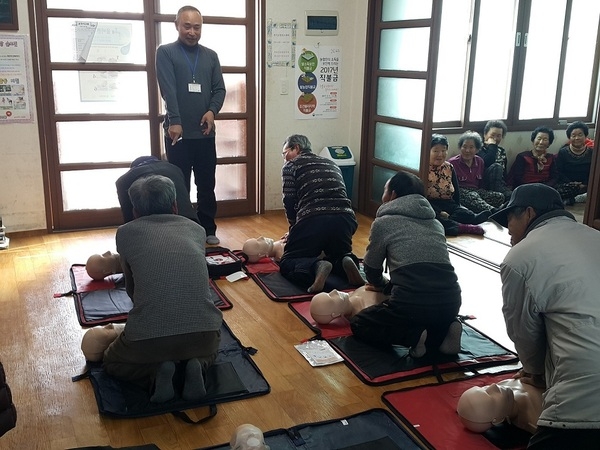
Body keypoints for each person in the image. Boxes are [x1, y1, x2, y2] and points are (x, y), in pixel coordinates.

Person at [489, 183, 600, 449]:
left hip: (585, 402)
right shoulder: (595, 236)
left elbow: (523, 332)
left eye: (509, 221)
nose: (509, 232)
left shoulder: (521, 257)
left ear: (528, 213)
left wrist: (535, 372)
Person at [103, 174, 223, 403]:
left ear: (135, 212)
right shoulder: (196, 230)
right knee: (212, 347)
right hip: (202, 333)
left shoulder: (125, 233)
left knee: (112, 361)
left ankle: (155, 373)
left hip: (148, 339)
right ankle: (198, 364)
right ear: (175, 206)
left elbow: (132, 290)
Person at [350, 171, 463, 357]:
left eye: (385, 190)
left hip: (411, 304)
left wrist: (380, 285)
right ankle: (448, 329)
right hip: (451, 301)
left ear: (393, 195)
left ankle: (413, 336)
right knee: (430, 314)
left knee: (360, 323)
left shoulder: (384, 222)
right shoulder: (436, 224)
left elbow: (371, 267)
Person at [156, 5, 226, 246]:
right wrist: (174, 120)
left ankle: (208, 228)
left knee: (207, 185)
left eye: (197, 27)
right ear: (177, 25)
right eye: (187, 26)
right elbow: (169, 90)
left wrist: (211, 111)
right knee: (180, 185)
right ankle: (183, 229)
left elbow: (219, 89)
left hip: (205, 134)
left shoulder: (211, 55)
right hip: (179, 135)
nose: (192, 32)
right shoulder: (165, 52)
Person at [279, 134, 364, 293]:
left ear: (296, 148)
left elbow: (289, 202)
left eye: (285, 154)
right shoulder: (332, 163)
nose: (284, 159)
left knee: (288, 261)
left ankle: (316, 266)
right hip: (345, 219)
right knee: (336, 252)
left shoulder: (291, 166)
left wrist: (293, 230)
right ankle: (345, 260)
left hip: (313, 219)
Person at [426, 134, 492, 236]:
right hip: (430, 203)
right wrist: (440, 211)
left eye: (444, 150)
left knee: (464, 212)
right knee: (434, 217)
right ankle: (459, 227)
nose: (440, 154)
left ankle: (470, 219)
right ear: (427, 151)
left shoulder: (449, 167)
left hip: (448, 202)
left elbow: (456, 191)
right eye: (436, 151)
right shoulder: (423, 168)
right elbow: (419, 196)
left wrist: (458, 206)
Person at [115, 155, 197, 224]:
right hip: (189, 221)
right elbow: (185, 198)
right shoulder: (175, 169)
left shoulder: (123, 180)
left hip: (146, 229)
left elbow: (128, 217)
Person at [457, 378, 543, 434]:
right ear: (496, 421)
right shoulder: (536, 420)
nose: (493, 386)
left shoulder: (504, 386)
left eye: (483, 388)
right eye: (492, 398)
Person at [447, 130, 505, 213]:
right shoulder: (452, 163)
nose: (467, 150)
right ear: (460, 147)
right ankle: (494, 211)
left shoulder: (480, 161)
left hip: (477, 192)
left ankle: (483, 209)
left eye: (471, 147)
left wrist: (482, 195)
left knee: (500, 196)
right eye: (464, 147)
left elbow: (482, 184)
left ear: (477, 149)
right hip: (461, 193)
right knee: (473, 196)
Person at [555, 121, 593, 205]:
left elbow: (592, 171)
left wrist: (585, 184)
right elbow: (559, 171)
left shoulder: (592, 152)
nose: (577, 138)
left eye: (580, 135)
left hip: (586, 184)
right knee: (555, 190)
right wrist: (573, 184)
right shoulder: (563, 152)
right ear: (569, 137)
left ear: (585, 136)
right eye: (573, 135)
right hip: (568, 185)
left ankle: (574, 198)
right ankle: (577, 198)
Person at [310, 286, 389, 325]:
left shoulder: (351, 295)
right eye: (332, 298)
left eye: (329, 293)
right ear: (336, 314)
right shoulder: (365, 311)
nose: (335, 291)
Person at [477, 120, 512, 199]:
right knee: (497, 166)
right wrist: (492, 145)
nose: (495, 138)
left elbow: (504, 173)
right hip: (486, 186)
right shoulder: (479, 150)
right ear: (485, 135)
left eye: (499, 136)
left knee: (516, 196)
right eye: (492, 135)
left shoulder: (502, 151)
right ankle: (499, 193)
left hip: (501, 185)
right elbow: (488, 162)